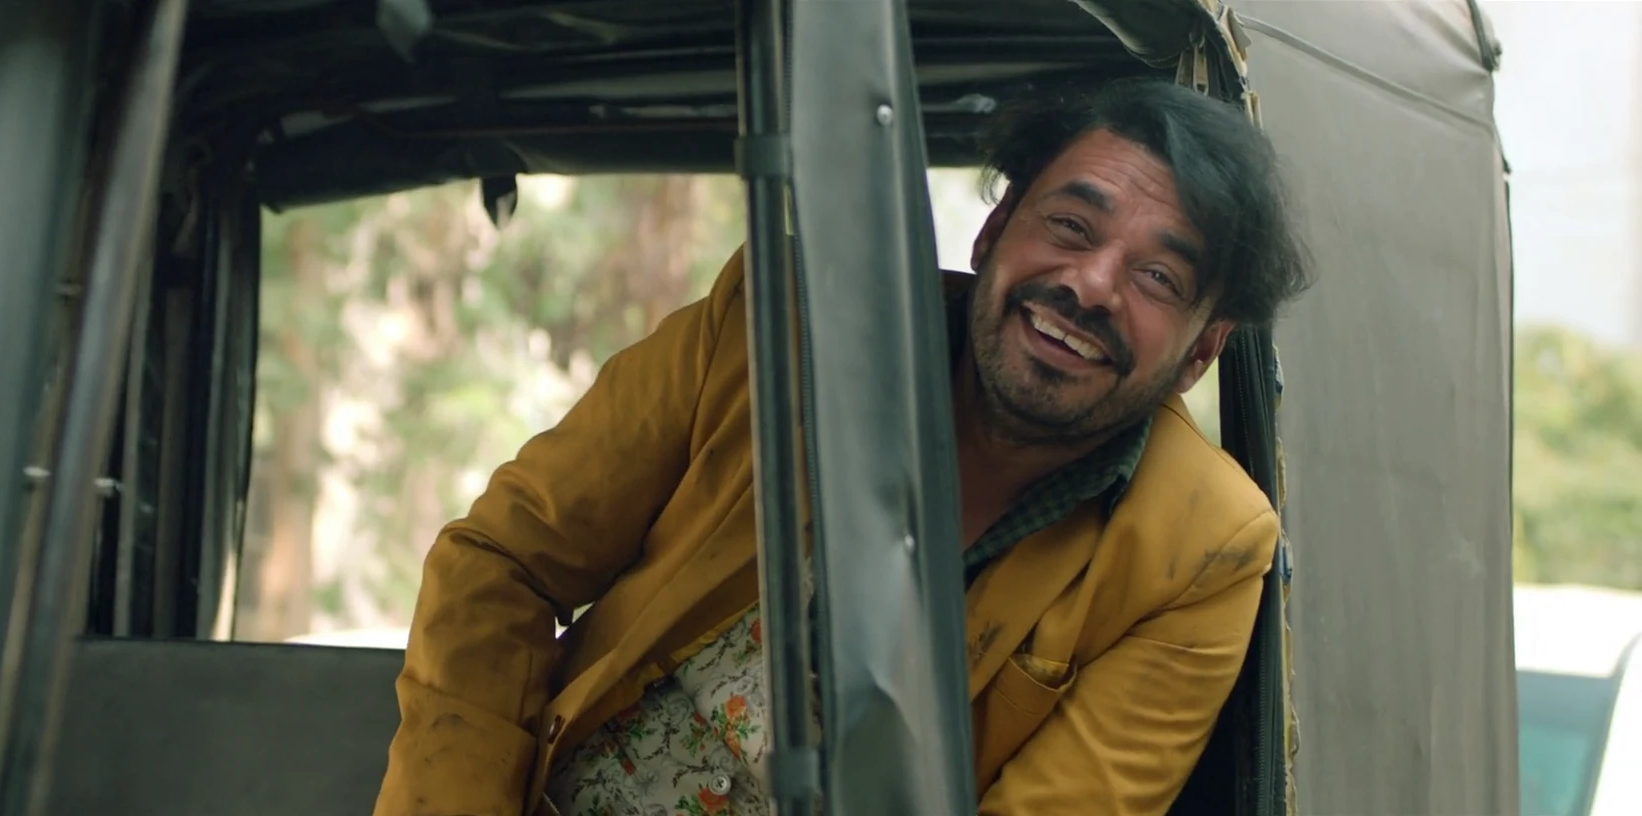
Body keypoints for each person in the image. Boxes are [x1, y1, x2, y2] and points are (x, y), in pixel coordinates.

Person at [375, 77, 1311, 816]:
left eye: (1157, 276)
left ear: (1199, 353)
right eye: (1071, 226)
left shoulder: (1204, 550)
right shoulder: (775, 326)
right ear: (994, 232)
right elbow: (503, 564)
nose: (1092, 285)